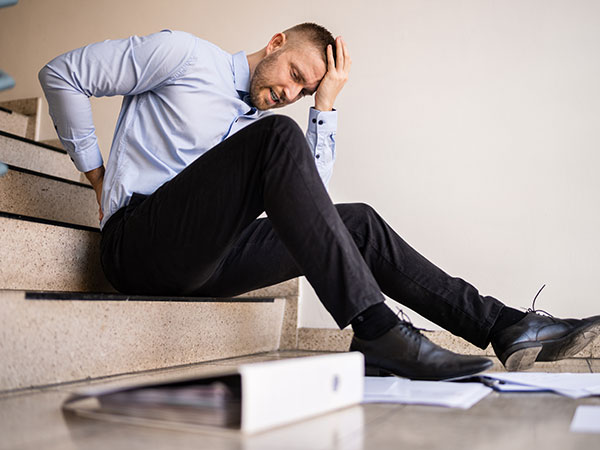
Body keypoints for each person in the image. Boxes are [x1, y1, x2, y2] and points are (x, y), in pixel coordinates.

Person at [39, 23, 600, 380]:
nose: (290, 93)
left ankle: (504, 325)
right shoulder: (184, 56)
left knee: (355, 224)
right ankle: (376, 328)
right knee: (277, 137)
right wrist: (94, 174)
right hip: (135, 245)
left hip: (203, 261)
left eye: (302, 91)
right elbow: (62, 73)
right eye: (295, 77)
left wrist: (325, 104)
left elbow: (314, 213)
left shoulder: (257, 127)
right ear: (276, 42)